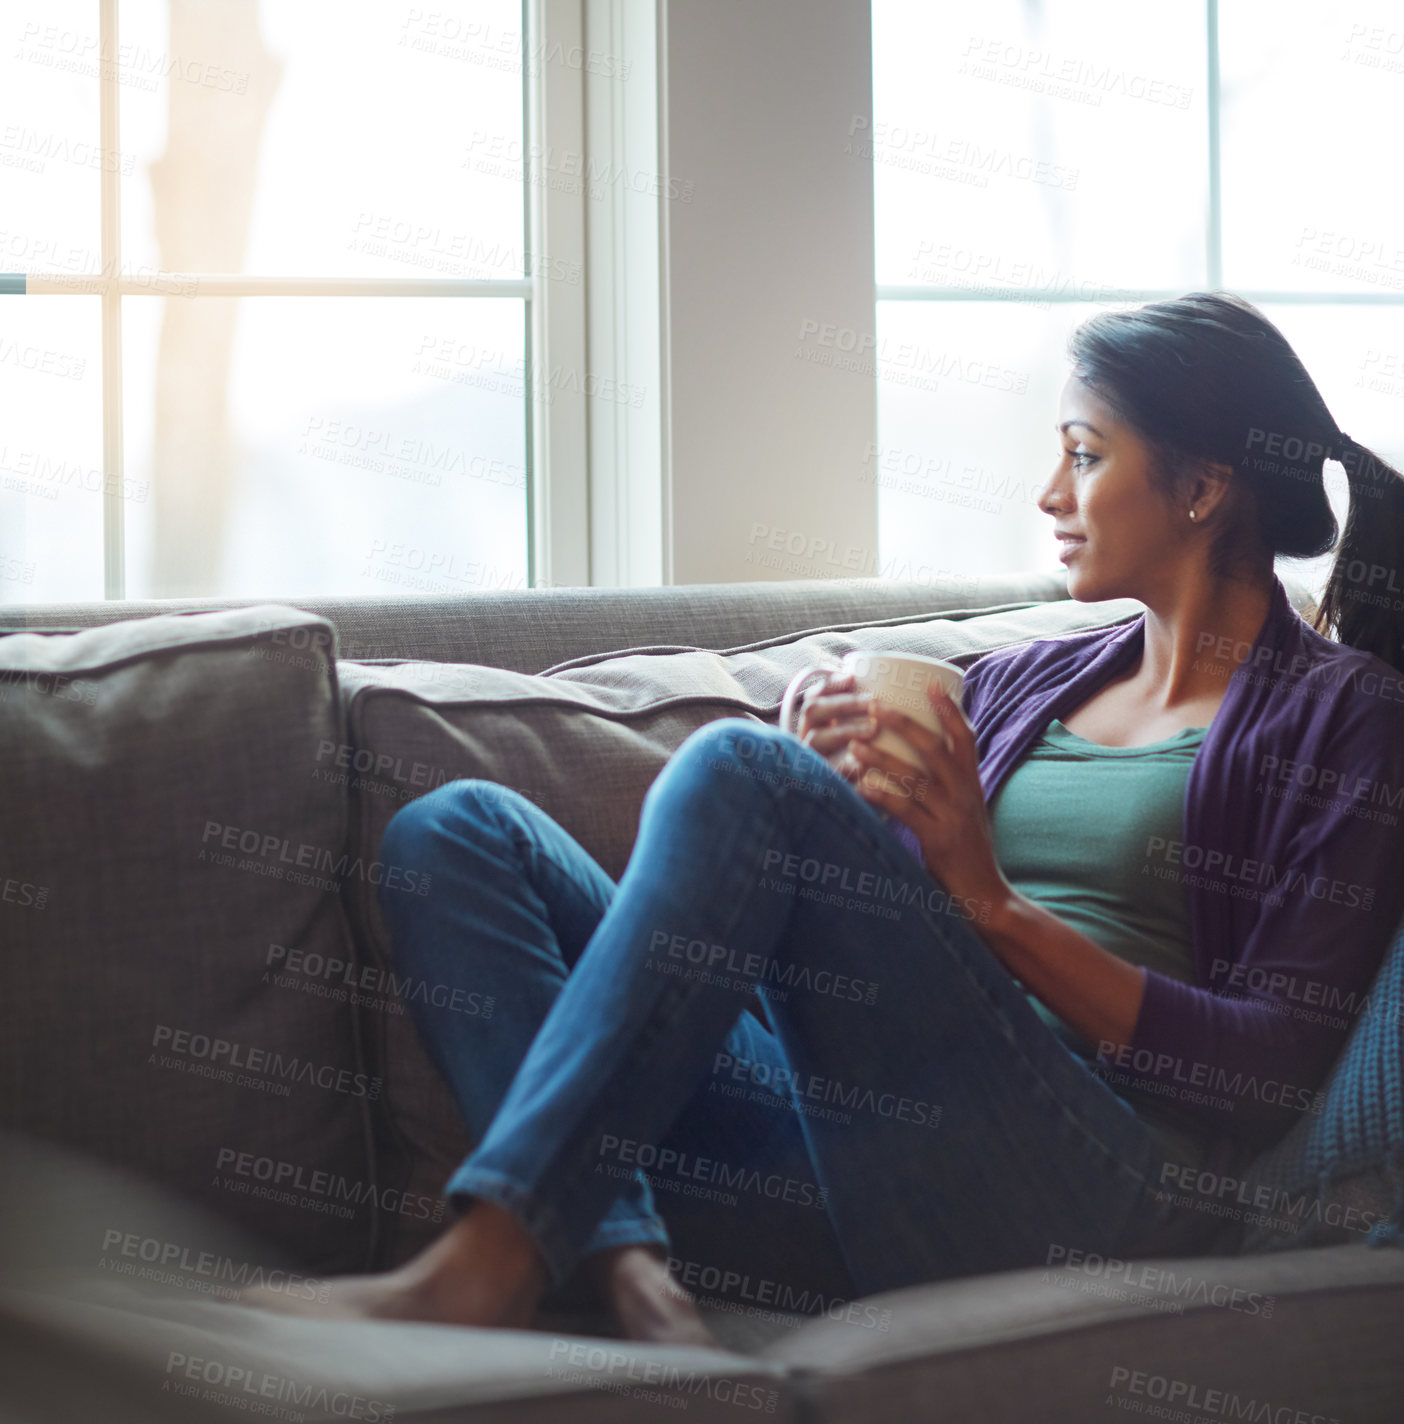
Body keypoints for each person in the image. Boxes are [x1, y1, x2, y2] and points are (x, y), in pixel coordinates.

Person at [262, 293, 1404, 1344]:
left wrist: (986, 904)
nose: (1050, 494)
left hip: (1095, 1186)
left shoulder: (1345, 721)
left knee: (741, 773)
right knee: (452, 835)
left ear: (1202, 488)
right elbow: (820, 988)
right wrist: (809, 811)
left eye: (1086, 454)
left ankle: (504, 1251)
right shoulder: (1019, 685)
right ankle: (619, 1255)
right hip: (871, 1165)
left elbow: (1265, 1067)